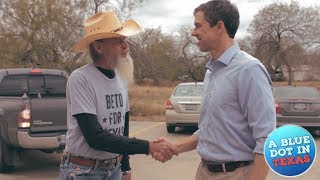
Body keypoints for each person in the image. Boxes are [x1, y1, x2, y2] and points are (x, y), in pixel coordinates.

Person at [153, 1, 276, 180]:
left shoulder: (249, 70)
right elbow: (209, 130)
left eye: (198, 26)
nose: (193, 32)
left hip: (236, 174)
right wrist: (175, 148)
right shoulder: (212, 71)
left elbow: (266, 139)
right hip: (204, 171)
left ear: (219, 27)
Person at [60, 11, 176, 180]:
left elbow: (123, 128)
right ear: (99, 47)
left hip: (113, 170)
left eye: (124, 40)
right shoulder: (80, 79)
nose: (125, 45)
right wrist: (149, 147)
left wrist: (125, 168)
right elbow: (95, 137)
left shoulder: (121, 79)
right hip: (84, 171)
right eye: (118, 41)